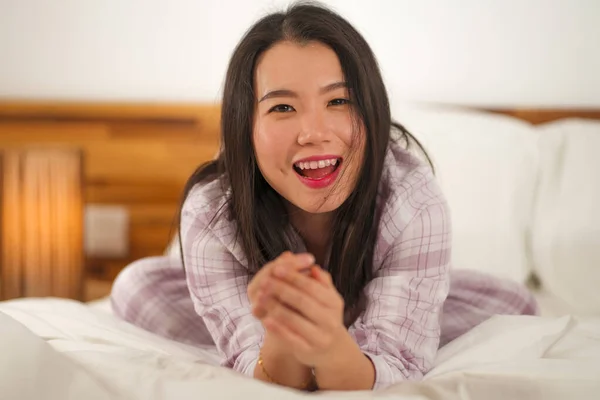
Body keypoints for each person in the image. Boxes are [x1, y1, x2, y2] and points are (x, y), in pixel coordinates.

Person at [110, 2, 538, 392]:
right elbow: (262, 373)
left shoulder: (413, 199)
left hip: (381, 301)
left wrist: (332, 345)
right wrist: (281, 330)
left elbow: (390, 368)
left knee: (514, 305)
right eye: (282, 108)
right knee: (136, 285)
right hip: (255, 314)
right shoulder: (211, 210)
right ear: (245, 127)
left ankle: (362, 326)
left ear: (372, 113)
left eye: (338, 101)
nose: (314, 132)